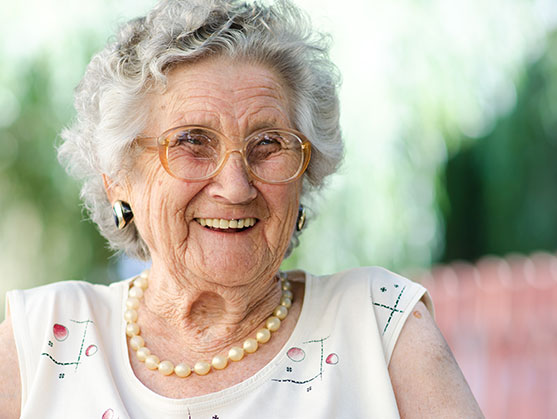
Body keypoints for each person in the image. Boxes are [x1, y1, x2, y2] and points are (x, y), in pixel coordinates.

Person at [0, 0, 483, 417]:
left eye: (269, 143)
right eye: (192, 142)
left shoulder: (380, 327)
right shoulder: (41, 338)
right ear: (119, 180)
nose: (235, 186)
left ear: (306, 172)